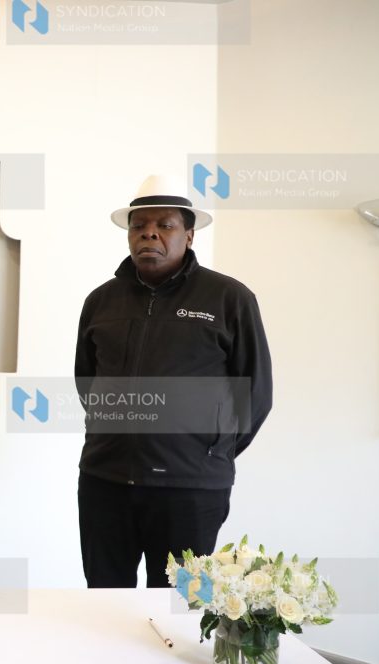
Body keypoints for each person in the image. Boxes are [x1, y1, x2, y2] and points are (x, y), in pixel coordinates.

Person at [74, 175, 273, 588]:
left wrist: (210, 450)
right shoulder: (101, 301)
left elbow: (255, 392)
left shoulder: (229, 298)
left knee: (178, 606)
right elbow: (86, 381)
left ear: (189, 234)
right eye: (139, 225)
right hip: (105, 481)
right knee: (105, 599)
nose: (149, 232)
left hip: (190, 489)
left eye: (165, 224)